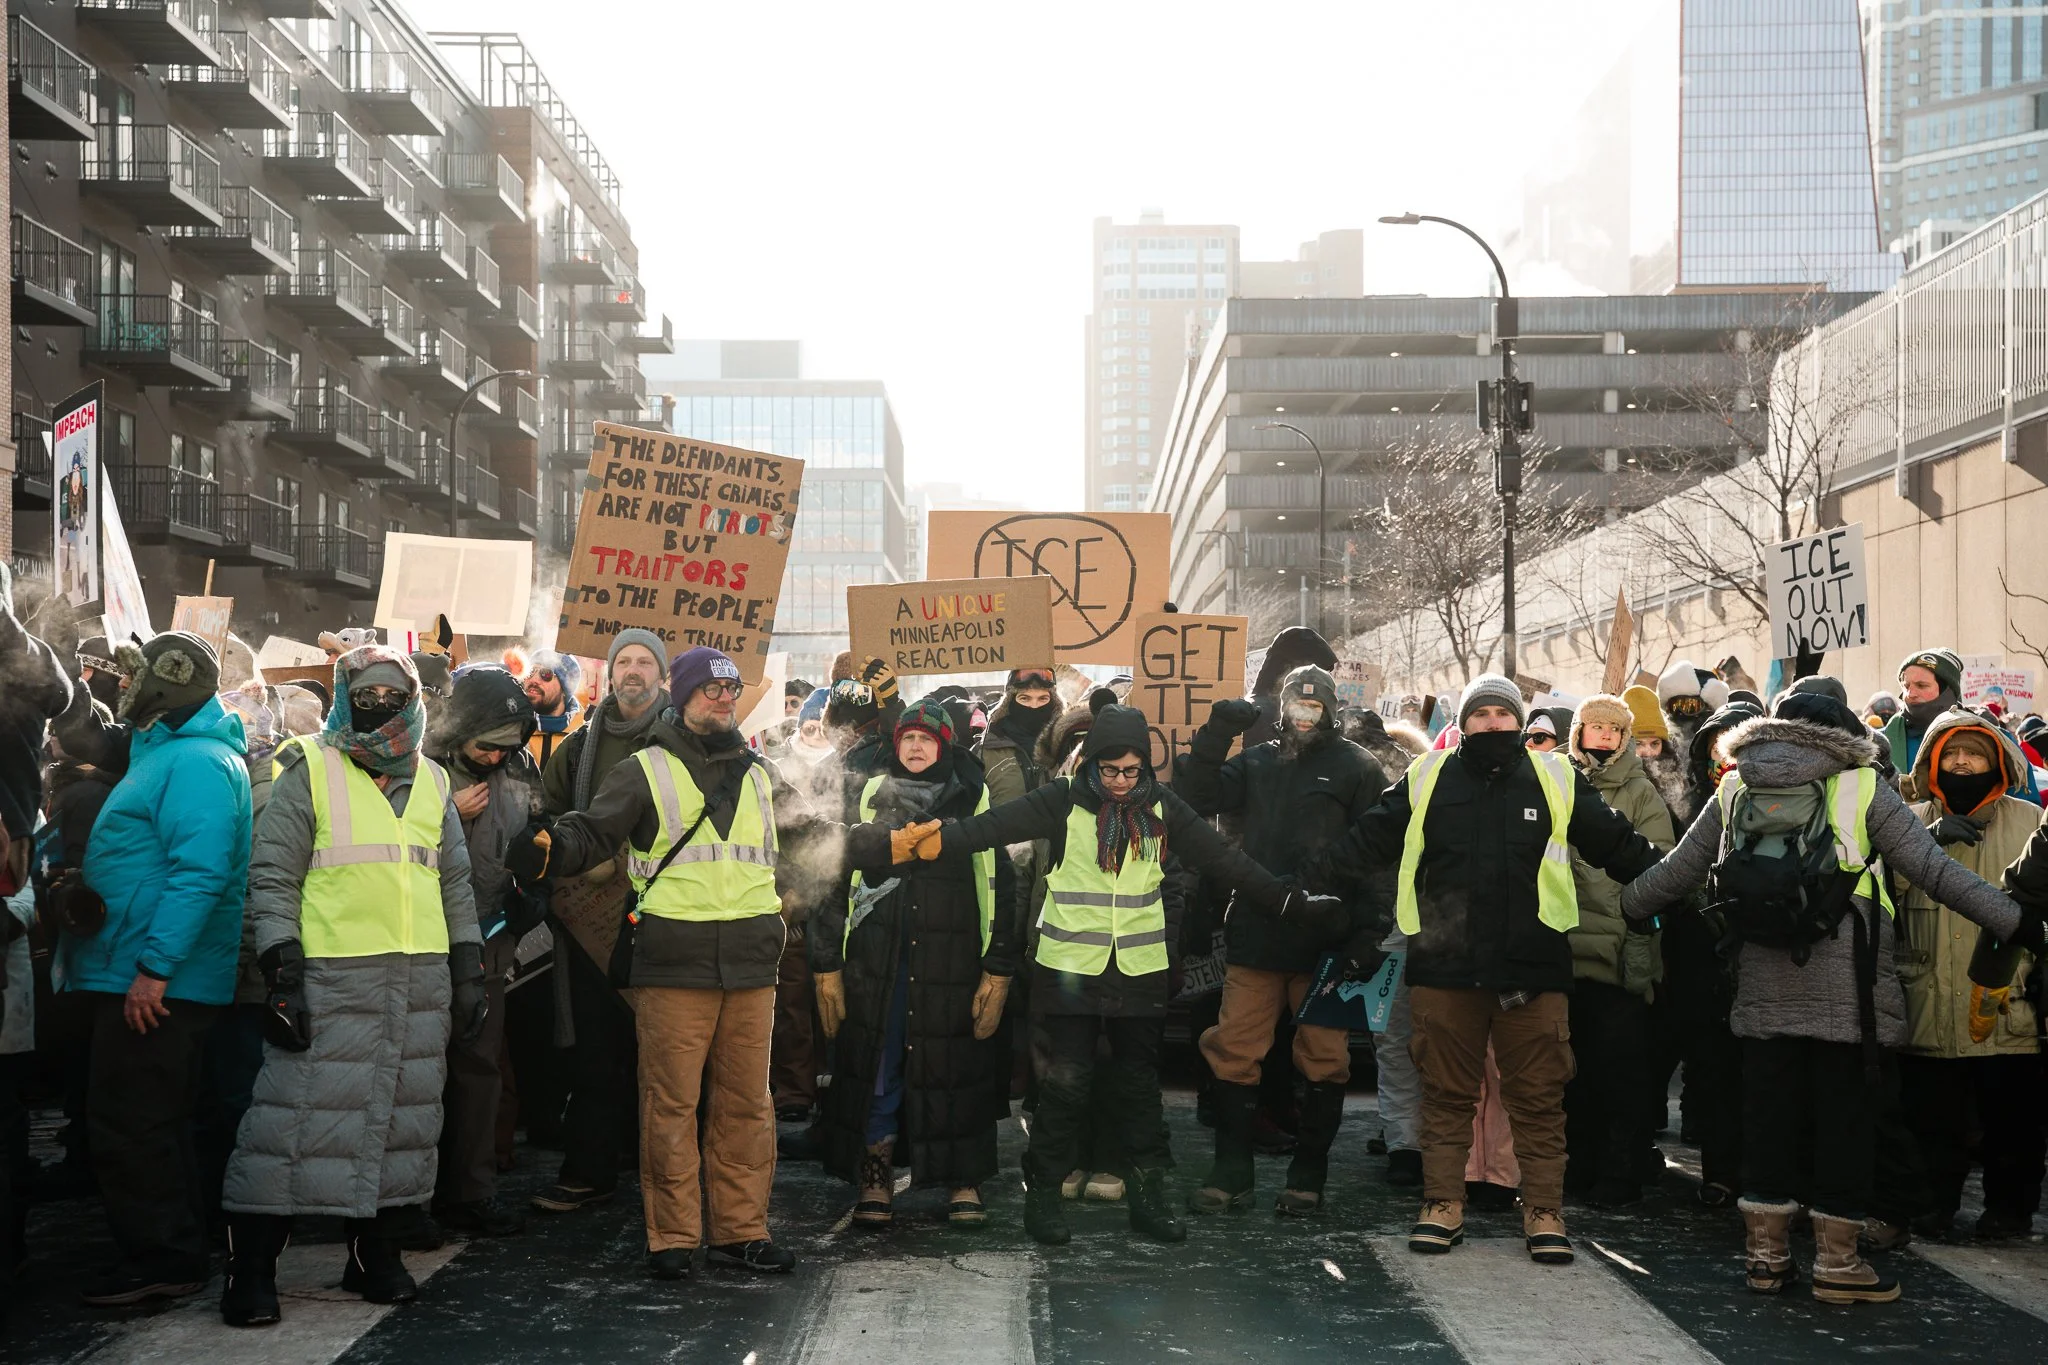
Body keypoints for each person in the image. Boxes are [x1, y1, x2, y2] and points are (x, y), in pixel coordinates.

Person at [1623, 691, 2041, 1305]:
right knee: (1844, 1126)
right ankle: (1838, 1265)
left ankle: (1765, 1259)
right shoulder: (1863, 788)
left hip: (1761, 986)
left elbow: (1677, 872)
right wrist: (2018, 924)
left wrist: (1630, 908)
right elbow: (1937, 872)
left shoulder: (1737, 786)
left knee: (1767, 1121)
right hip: (1851, 992)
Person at [887, 697, 1341, 1247]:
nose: (1122, 781)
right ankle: (1046, 1199)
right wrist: (929, 841)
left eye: (1132, 770)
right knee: (1064, 1087)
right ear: (1091, 763)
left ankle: (1149, 1199)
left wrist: (1289, 902)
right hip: (1069, 970)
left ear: (1145, 767)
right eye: (1110, 769)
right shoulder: (1062, 799)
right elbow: (990, 827)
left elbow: (1226, 861)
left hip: (1139, 971)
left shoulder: (1164, 808)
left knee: (1137, 1090)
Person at [1308, 674, 1661, 1266]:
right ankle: (1441, 1204)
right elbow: (1363, 843)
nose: (1493, 722)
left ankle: (1544, 1211)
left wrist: (1676, 885)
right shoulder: (1426, 776)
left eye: (1504, 713)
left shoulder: (1557, 775)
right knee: (1446, 1096)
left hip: (1534, 967)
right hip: (1446, 969)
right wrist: (1300, 889)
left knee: (1539, 1097)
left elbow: (1621, 848)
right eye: (1482, 713)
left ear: (1519, 721)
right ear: (1465, 722)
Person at [519, 647, 828, 1280]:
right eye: (709, 689)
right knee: (671, 1105)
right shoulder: (644, 770)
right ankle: (675, 1236)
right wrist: (555, 844)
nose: (722, 698)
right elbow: (593, 830)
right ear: (682, 696)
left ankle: (741, 1231)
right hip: (672, 964)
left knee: (748, 1105)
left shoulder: (763, 773)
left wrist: (888, 840)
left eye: (730, 689)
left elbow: (818, 834)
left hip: (748, 965)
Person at [219, 647, 481, 1327]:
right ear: (344, 696)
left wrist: (470, 967)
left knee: (403, 1127)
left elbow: (453, 880)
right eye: (366, 694)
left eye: (395, 695)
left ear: (416, 700)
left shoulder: (431, 781)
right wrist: (281, 971)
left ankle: (376, 1254)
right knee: (286, 1129)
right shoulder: (311, 767)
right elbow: (273, 876)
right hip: (330, 978)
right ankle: (250, 1269)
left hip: (418, 983)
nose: (381, 707)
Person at [52, 634, 251, 1307]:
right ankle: (171, 1248)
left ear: (166, 688)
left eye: (138, 680)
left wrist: (154, 969)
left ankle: (163, 1258)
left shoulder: (195, 763)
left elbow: (201, 874)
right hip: (144, 970)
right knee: (150, 1118)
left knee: (133, 1120)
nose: (127, 689)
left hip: (157, 981)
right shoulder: (171, 750)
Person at [1175, 666, 1392, 1216]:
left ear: (1329, 710)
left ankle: (1308, 1177)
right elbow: (1193, 795)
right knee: (1232, 1052)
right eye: (1297, 704)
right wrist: (1216, 732)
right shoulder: (1254, 762)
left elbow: (1377, 856)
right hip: (1256, 934)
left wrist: (1371, 933)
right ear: (1282, 708)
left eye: (1314, 706)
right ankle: (1231, 1173)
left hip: (1329, 941)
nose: (1304, 714)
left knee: (1324, 1059)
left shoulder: (1358, 767)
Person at [815, 700, 1017, 1225]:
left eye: (927, 739)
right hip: (879, 963)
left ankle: (963, 1178)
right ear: (896, 745)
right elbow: (833, 880)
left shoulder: (975, 801)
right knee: (881, 1066)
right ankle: (875, 1172)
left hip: (953, 963)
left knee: (956, 1066)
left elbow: (1003, 888)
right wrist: (826, 964)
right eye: (908, 738)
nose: (917, 747)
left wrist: (997, 969)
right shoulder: (868, 800)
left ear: (945, 745)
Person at [1889, 709, 2045, 1241]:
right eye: (1951, 753)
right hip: (1927, 999)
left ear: (1997, 760)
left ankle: (2010, 1210)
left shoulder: (2030, 821)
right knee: (1932, 1120)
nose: (1962, 763)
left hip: (2009, 1000)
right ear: (1931, 762)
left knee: (2014, 1122)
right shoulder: (1903, 819)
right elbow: (1878, 890)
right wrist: (1925, 839)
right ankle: (1932, 1206)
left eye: (1974, 753)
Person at [530, 629, 670, 1215]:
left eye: (645, 662)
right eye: (624, 662)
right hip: (591, 927)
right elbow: (547, 815)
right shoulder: (579, 746)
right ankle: (591, 1170)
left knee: (667, 1054)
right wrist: (582, 859)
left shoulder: (688, 743)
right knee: (595, 1052)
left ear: (662, 675)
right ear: (607, 675)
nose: (634, 671)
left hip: (668, 920)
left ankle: (667, 1176)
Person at [426, 666, 543, 1238]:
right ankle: (408, 1199)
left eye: (508, 747)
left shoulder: (522, 767)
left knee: (479, 1070)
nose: (497, 758)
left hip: (492, 940)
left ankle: (471, 1193)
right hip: (424, 940)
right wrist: (447, 814)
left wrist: (533, 890)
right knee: (420, 1072)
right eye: (486, 747)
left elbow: (542, 833)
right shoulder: (419, 768)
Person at [1560, 694, 1675, 1207]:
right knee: (1569, 1070)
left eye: (1614, 729)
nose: (1604, 736)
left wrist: (1629, 920)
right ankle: (1576, 1164)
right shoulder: (1557, 782)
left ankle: (1619, 1169)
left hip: (1618, 947)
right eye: (1595, 727)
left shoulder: (1643, 793)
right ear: (1579, 731)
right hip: (1561, 946)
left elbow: (1657, 868)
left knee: (1620, 1070)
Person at [523, 649, 584, 772]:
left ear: (565, 689)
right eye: (530, 672)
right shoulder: (512, 728)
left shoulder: (583, 738)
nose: (534, 680)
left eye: (546, 674)